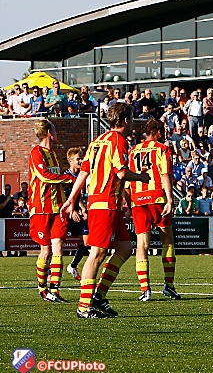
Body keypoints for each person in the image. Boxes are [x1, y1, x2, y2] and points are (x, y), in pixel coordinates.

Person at [61, 103, 150, 319]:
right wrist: (141, 177)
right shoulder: (118, 140)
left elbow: (83, 173)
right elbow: (121, 173)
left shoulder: (96, 141)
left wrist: (72, 199)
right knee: (97, 254)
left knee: (125, 248)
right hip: (105, 203)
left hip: (106, 204)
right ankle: (84, 307)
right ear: (126, 120)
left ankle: (98, 295)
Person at [129, 119, 180, 302]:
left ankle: (145, 289)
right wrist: (170, 199)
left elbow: (127, 180)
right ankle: (169, 285)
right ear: (158, 132)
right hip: (157, 197)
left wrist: (129, 201)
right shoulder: (162, 148)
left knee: (142, 244)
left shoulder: (133, 150)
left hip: (138, 200)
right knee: (167, 241)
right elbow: (165, 173)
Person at [29, 120, 75, 302]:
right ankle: (42, 289)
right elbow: (44, 176)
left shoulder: (53, 155)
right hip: (41, 208)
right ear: (48, 132)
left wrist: (67, 203)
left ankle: (54, 290)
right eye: (54, 129)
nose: (57, 132)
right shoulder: (36, 152)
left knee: (58, 248)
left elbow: (57, 182)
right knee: (46, 251)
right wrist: (68, 179)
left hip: (57, 208)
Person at [64, 147, 90, 281]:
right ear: (70, 161)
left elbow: (77, 196)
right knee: (56, 244)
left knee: (88, 240)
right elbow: (65, 198)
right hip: (64, 215)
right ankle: (51, 273)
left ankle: (73, 265)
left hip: (74, 213)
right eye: (78, 159)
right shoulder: (65, 177)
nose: (80, 161)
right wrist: (72, 210)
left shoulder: (80, 176)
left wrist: (82, 208)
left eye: (81, 158)